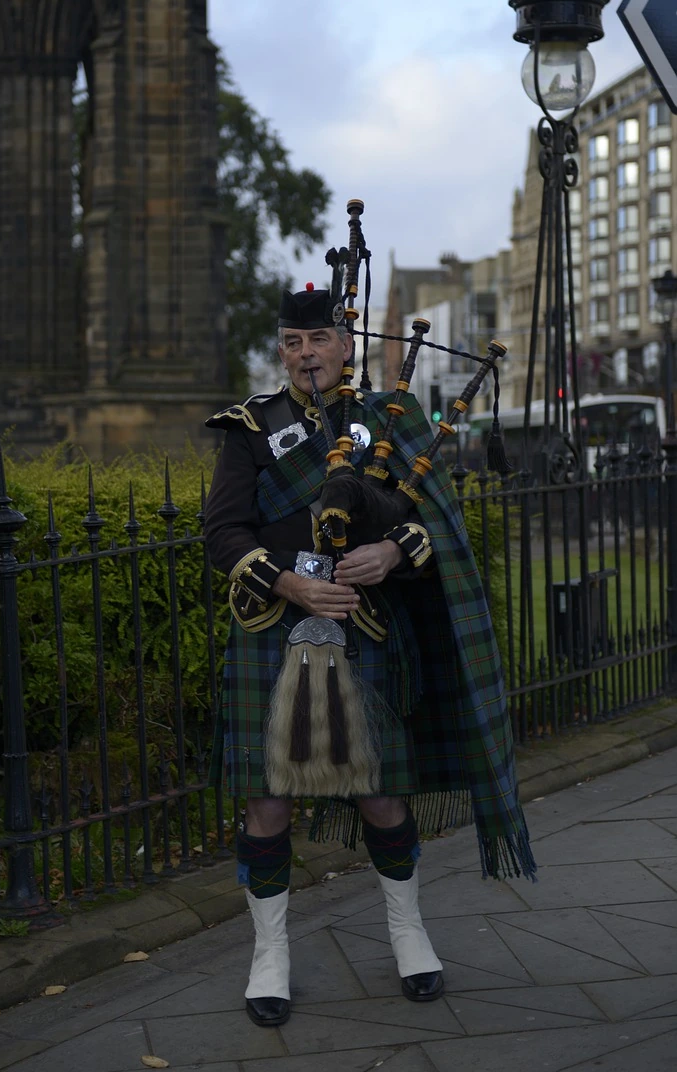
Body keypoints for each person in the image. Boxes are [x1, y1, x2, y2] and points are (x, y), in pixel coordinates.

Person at [204, 278, 534, 1028]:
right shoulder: (250, 427)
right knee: (267, 800)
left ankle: (408, 934)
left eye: (317, 339)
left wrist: (389, 553)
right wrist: (289, 581)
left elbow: (431, 526)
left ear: (345, 344)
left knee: (382, 793)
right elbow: (222, 533)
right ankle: (270, 955)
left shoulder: (390, 418)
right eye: (291, 342)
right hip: (271, 629)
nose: (304, 354)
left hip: (365, 626)